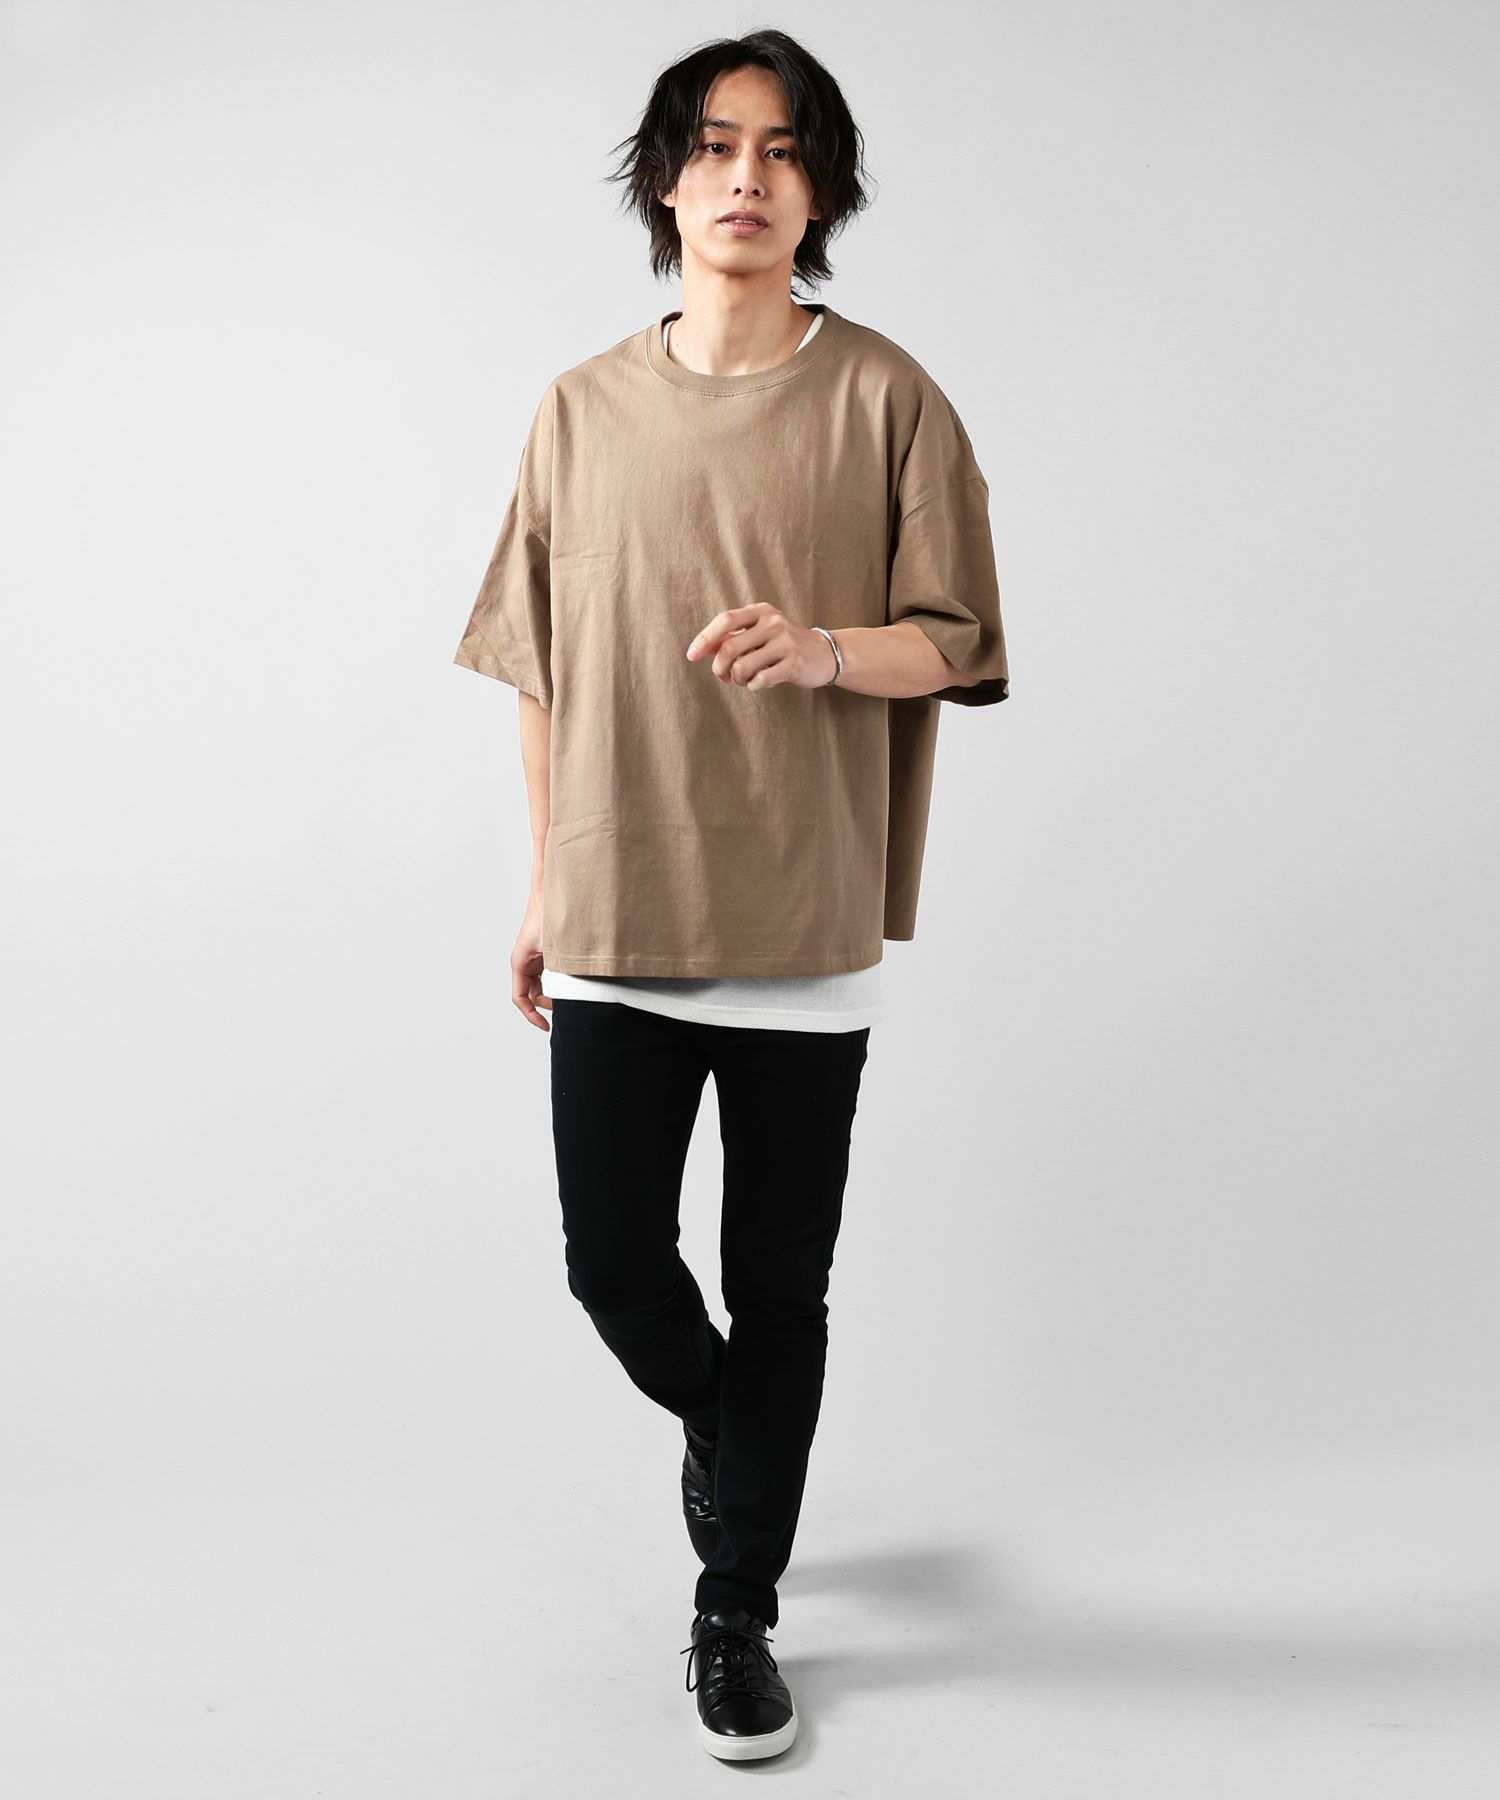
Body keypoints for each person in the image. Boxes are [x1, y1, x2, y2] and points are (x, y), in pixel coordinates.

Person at [451, 27, 1008, 1764]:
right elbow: (540, 668)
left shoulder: (891, 399)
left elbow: (959, 641)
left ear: (821, 190)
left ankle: (733, 1610)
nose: (746, 177)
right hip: (619, 912)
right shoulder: (579, 408)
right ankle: (734, 1431)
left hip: (804, 924)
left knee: (780, 1289)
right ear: (667, 183)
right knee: (616, 1266)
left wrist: (828, 647)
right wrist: (542, 882)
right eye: (712, 145)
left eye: (781, 149)